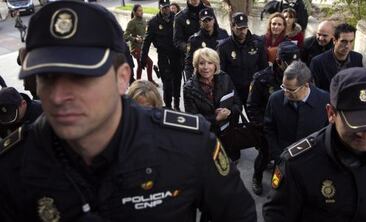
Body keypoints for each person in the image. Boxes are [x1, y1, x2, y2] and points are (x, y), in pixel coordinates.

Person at [0, 1, 257, 221]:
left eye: (81, 78)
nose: (58, 96)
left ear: (123, 78)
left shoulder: (187, 145)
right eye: (46, 77)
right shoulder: (13, 166)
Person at [263, 67, 366, 222]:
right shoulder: (297, 164)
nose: (364, 133)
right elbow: (277, 216)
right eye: (355, 124)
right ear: (331, 114)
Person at [246, 40, 300, 195]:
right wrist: (263, 127)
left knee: (285, 160)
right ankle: (257, 177)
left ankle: (280, 183)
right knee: (264, 156)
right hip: (268, 129)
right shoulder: (262, 79)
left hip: (290, 129)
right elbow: (252, 106)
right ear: (279, 61)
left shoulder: (301, 77)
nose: (294, 68)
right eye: (289, 63)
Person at [264, 61, 329, 164]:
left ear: (306, 85)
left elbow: (328, 132)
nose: (285, 93)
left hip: (314, 161)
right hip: (284, 160)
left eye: (290, 90)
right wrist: (278, 156)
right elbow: (269, 129)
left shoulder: (325, 100)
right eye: (283, 87)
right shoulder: (275, 100)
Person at [184, 47, 242, 160]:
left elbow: (238, 104)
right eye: (201, 63)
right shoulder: (189, 88)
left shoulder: (225, 78)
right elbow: (193, 119)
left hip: (228, 133)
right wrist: (216, 118)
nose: (206, 67)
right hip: (207, 137)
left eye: (210, 63)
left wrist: (229, 111)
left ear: (216, 65)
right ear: (196, 66)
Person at [217, 12, 268, 105]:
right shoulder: (224, 46)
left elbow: (264, 68)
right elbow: (221, 72)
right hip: (233, 90)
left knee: (255, 118)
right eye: (239, 28)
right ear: (232, 27)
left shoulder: (257, 43)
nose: (242, 31)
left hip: (253, 90)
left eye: (244, 28)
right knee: (233, 117)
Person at [141, 0, 182, 110]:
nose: (166, 9)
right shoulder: (153, 22)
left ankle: (177, 104)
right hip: (163, 55)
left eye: (167, 7)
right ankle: (168, 106)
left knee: (177, 81)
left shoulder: (177, 18)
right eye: (164, 7)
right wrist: (143, 58)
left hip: (176, 55)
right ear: (160, 7)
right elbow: (147, 41)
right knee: (167, 83)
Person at [310, 23, 363, 92]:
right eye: (343, 41)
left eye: (351, 41)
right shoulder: (318, 62)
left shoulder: (357, 58)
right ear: (334, 40)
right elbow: (315, 90)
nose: (347, 46)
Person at [184, 7, 228, 79]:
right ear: (200, 22)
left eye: (209, 20)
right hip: (203, 76)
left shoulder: (223, 34)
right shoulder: (194, 39)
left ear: (214, 20)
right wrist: (189, 82)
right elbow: (189, 64)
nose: (207, 23)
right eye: (204, 21)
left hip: (220, 77)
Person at [124, 4, 158, 87]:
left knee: (140, 64)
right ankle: (149, 81)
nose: (141, 12)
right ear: (134, 12)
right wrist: (135, 39)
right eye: (139, 10)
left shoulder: (144, 20)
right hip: (135, 48)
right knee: (149, 63)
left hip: (143, 48)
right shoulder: (132, 22)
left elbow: (146, 33)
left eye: (142, 10)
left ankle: (137, 83)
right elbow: (125, 35)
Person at [173, 0, 207, 81]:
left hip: (208, 57)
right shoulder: (180, 17)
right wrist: (190, 48)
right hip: (191, 59)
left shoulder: (208, 12)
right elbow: (177, 40)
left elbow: (216, 32)